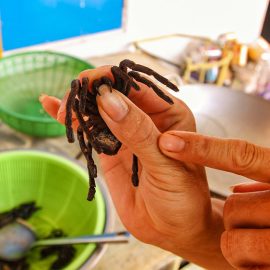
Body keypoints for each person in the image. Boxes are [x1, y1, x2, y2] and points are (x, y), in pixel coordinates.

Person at [40, 66, 270, 270]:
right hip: (105, 134)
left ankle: (92, 178)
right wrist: (200, 233)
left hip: (107, 135)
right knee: (89, 129)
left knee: (116, 86)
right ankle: (92, 177)